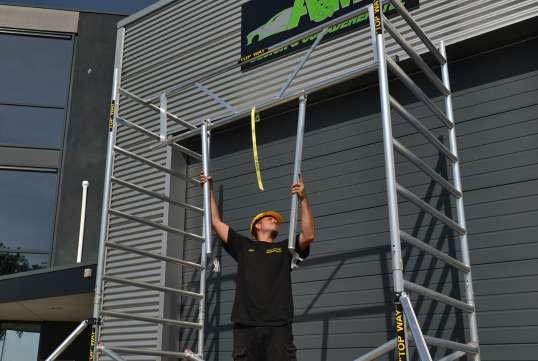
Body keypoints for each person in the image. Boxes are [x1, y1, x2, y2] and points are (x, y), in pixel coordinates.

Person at [200, 173, 315, 361]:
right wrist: (209, 189)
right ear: (257, 226)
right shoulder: (244, 246)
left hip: (278, 326)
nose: (274, 220)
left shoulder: (284, 249)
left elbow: (309, 235)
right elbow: (215, 222)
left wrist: (303, 198)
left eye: (275, 219)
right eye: (269, 218)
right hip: (247, 326)